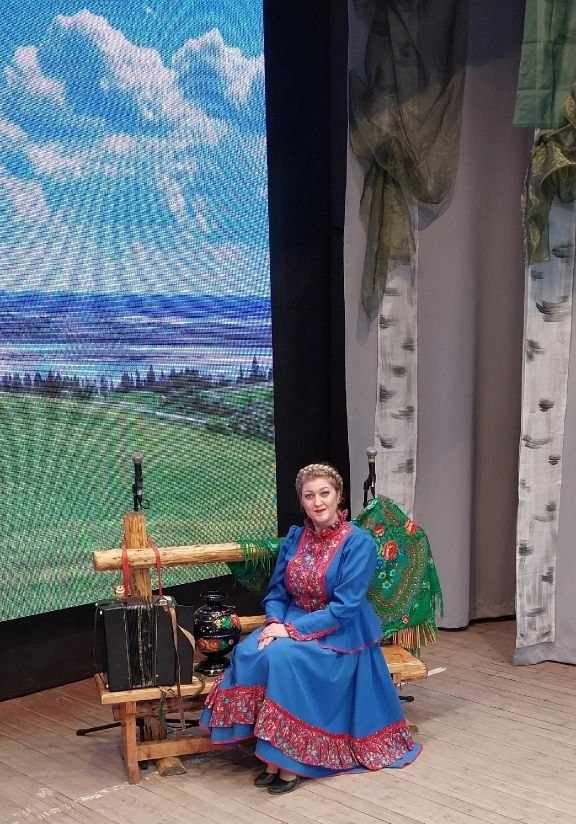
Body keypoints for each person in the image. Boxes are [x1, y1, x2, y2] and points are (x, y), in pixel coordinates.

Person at [200, 463, 421, 793]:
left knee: (283, 658)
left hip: (340, 633)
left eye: (324, 493)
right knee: (249, 651)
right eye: (309, 496)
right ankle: (272, 756)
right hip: (291, 620)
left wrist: (290, 632)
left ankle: (291, 761)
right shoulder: (295, 538)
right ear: (301, 501)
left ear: (338, 496)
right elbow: (277, 592)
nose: (317, 502)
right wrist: (275, 623)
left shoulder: (357, 543)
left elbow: (344, 608)